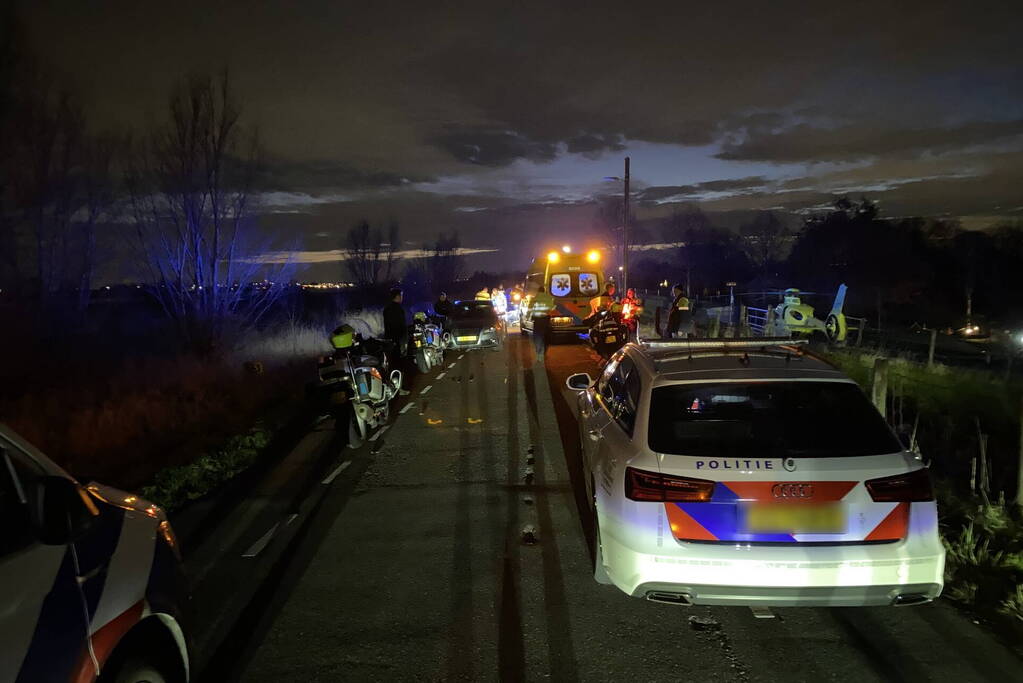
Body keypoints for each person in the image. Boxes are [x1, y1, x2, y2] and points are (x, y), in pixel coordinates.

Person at [530, 285, 555, 363]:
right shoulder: (548, 299)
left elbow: (530, 309)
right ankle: (543, 354)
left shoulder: (534, 299)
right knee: (545, 337)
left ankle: (538, 354)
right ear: (544, 291)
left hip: (537, 321)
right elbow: (552, 309)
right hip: (545, 320)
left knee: (537, 337)